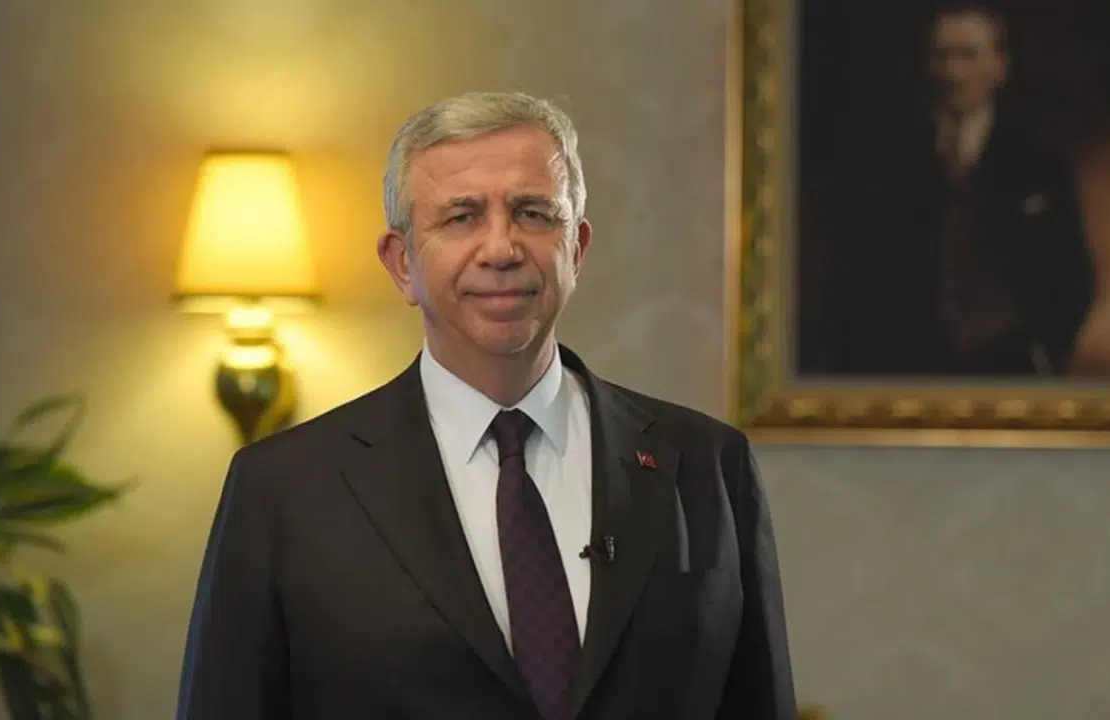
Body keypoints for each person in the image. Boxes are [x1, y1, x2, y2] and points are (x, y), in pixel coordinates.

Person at [176, 91, 796, 720]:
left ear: (577, 248)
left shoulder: (707, 464)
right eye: (461, 217)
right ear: (402, 264)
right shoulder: (282, 489)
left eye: (533, 213)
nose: (501, 249)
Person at [797, 2, 1095, 377]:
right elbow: (852, 273)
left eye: (968, 56)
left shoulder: (1038, 165)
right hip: (902, 368)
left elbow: (1072, 277)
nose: (954, 73)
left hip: (1008, 368)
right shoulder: (885, 164)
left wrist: (1042, 349)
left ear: (999, 67)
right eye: (942, 56)